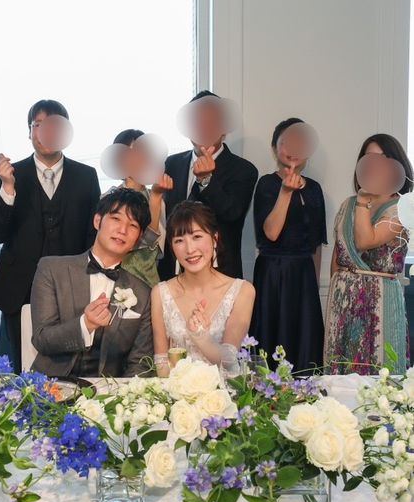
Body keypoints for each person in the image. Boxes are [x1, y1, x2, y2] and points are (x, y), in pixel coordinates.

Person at [0, 99, 101, 372]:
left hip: (71, 286)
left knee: (69, 362)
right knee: (17, 365)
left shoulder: (86, 176)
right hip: (18, 288)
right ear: (29, 132)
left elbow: (92, 235)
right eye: (38, 125)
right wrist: (8, 189)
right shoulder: (9, 175)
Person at [30, 188, 153, 378]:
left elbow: (140, 362)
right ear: (97, 221)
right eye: (116, 219)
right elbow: (42, 339)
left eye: (133, 225)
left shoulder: (142, 293)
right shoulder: (51, 270)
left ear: (138, 239)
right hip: (52, 384)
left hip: (110, 389)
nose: (122, 230)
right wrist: (85, 324)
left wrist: (123, 394)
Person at [324, 134, 412, 374]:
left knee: (378, 375)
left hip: (380, 302)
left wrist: (363, 201)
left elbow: (365, 241)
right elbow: (339, 254)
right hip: (343, 300)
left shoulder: (403, 208)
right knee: (340, 375)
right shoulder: (347, 204)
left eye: (382, 158)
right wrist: (336, 296)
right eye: (369, 158)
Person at [250, 118, 327, 371]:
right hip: (273, 273)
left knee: (305, 342)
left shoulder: (315, 189)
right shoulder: (266, 183)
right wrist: (285, 192)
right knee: (271, 342)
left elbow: (316, 244)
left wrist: (314, 286)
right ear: (275, 148)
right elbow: (271, 233)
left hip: (304, 275)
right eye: (287, 142)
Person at [158, 90, 258, 280]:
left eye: (212, 122)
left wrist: (206, 180)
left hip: (220, 273)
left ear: (224, 128)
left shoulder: (244, 170)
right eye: (197, 121)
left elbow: (232, 214)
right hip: (172, 273)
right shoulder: (171, 163)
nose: (204, 127)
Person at [151, 201, 255, 377]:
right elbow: (161, 363)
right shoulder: (160, 293)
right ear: (172, 247)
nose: (190, 249)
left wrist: (201, 338)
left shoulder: (243, 291)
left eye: (197, 237)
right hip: (175, 391)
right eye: (179, 241)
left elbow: (229, 363)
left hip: (224, 390)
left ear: (215, 238)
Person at [103, 129, 172, 287]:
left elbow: (156, 248)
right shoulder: (109, 198)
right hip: (116, 279)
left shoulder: (158, 198)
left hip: (151, 280)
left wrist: (156, 197)